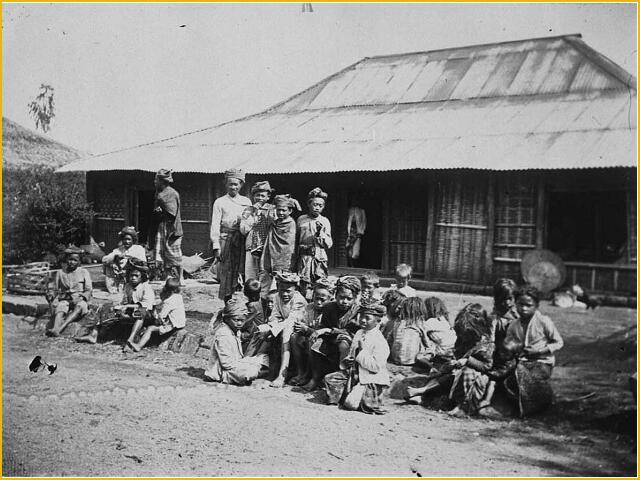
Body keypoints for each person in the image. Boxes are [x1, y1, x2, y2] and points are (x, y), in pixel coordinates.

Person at [405, 303, 494, 415]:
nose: (463, 337)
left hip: (475, 376)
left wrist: (467, 361)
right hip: (457, 374)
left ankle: (461, 406)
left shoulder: (485, 344)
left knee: (464, 374)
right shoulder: (463, 339)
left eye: (466, 334)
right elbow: (458, 354)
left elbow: (488, 366)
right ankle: (422, 394)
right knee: (442, 372)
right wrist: (454, 362)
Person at [501, 285, 564, 416]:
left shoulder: (543, 321)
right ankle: (518, 404)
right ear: (515, 304)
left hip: (542, 362)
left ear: (536, 306)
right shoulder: (513, 325)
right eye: (520, 304)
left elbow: (558, 342)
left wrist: (540, 351)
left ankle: (539, 405)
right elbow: (508, 344)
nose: (523, 308)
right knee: (507, 377)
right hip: (522, 361)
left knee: (523, 374)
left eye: (528, 305)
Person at [324, 298, 390, 414]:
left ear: (378, 321)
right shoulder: (359, 333)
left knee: (351, 404)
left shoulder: (380, 341)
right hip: (354, 374)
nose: (363, 321)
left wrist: (363, 352)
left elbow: (376, 367)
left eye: (367, 318)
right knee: (330, 379)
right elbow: (352, 355)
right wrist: (348, 361)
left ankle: (357, 398)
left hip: (369, 378)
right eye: (361, 317)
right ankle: (345, 395)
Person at [303, 275, 361, 391]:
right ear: (335, 295)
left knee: (343, 341)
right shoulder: (329, 307)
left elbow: (352, 331)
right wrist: (323, 332)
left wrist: (329, 330)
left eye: (348, 299)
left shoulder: (357, 311)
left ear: (354, 298)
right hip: (331, 340)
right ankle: (315, 378)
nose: (344, 301)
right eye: (341, 297)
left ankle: (342, 378)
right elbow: (324, 326)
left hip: (349, 344)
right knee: (316, 343)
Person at [76, 260, 154, 344]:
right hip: (131, 311)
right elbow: (125, 301)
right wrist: (121, 307)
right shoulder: (128, 286)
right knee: (106, 307)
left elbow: (146, 305)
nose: (133, 278)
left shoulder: (146, 287)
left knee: (141, 312)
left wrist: (127, 306)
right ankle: (93, 335)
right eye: (131, 275)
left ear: (142, 277)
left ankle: (131, 339)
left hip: (147, 314)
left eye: (136, 276)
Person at [254, 272, 307, 388]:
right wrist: (270, 327)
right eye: (282, 289)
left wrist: (275, 328)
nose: (285, 294)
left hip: (299, 330)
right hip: (283, 326)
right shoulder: (277, 297)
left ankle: (283, 373)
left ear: (295, 289)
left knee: (285, 334)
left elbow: (292, 320)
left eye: (288, 291)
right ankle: (258, 362)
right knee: (264, 331)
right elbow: (275, 317)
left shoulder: (299, 300)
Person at [204, 293, 270, 385]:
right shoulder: (223, 334)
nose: (239, 324)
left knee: (263, 357)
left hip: (236, 364)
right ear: (227, 319)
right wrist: (245, 364)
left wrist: (246, 361)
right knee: (247, 372)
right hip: (224, 371)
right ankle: (259, 372)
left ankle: (258, 371)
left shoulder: (236, 331)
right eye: (236, 320)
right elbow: (227, 364)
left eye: (242, 320)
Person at [211, 169, 253, 300]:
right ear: (226, 184)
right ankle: (227, 302)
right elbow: (215, 224)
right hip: (226, 239)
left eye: (236, 184)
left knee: (241, 269)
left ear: (241, 185)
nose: (233, 187)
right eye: (231, 184)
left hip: (242, 239)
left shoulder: (246, 201)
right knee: (226, 271)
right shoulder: (220, 202)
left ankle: (240, 301)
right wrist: (216, 246)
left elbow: (251, 221)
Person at [478, 278, 519, 410]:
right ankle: (487, 399)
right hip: (498, 355)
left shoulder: (516, 316)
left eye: (510, 298)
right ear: (497, 298)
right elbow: (491, 340)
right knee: (493, 377)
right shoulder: (494, 318)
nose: (507, 303)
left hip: (514, 353)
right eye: (503, 299)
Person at [289, 280, 333, 386]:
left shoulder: (331, 310)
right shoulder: (309, 307)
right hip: (309, 338)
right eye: (316, 298)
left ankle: (311, 375)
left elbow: (330, 332)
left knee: (312, 341)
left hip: (326, 344)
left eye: (322, 300)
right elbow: (301, 321)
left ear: (330, 299)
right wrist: (300, 327)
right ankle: (300, 372)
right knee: (294, 337)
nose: (318, 302)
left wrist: (308, 330)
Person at [127, 277, 186, 352]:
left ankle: (139, 346)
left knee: (150, 328)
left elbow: (162, 316)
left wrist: (155, 315)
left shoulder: (168, 302)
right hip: (181, 321)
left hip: (173, 324)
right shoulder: (178, 297)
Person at [45, 247, 93, 337]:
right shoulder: (61, 273)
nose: (72, 262)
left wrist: (81, 298)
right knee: (61, 306)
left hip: (79, 299)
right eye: (70, 259)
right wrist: (51, 295)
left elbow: (88, 290)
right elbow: (54, 289)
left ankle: (60, 328)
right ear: (66, 260)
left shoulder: (84, 272)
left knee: (80, 306)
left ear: (79, 261)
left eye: (75, 260)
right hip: (65, 299)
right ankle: (55, 328)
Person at [260, 194, 300, 297]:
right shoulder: (274, 223)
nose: (281, 213)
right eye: (279, 210)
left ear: (290, 211)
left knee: (282, 281)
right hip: (272, 254)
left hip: (285, 257)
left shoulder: (291, 224)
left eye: (284, 210)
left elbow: (289, 244)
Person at [297, 187, 333, 299]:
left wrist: (320, 234)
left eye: (320, 205)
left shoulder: (325, 221)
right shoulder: (301, 219)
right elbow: (296, 239)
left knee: (319, 285)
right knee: (303, 285)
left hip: (319, 258)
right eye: (315, 204)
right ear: (309, 204)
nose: (317, 207)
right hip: (304, 258)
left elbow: (329, 243)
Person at [148, 169, 184, 282]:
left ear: (162, 181)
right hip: (162, 226)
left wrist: (160, 212)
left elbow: (171, 214)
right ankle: (167, 276)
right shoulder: (159, 193)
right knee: (163, 252)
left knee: (174, 253)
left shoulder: (171, 193)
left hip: (171, 228)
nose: (154, 182)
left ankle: (180, 277)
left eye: (156, 180)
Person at [239, 181, 277, 282]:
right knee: (251, 275)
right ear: (253, 196)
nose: (260, 198)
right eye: (257, 195)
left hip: (266, 245)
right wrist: (252, 215)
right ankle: (251, 295)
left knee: (265, 273)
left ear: (268, 197)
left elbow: (274, 224)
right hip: (251, 245)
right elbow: (243, 229)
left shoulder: (273, 209)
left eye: (263, 196)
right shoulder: (248, 209)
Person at [414, 297, 457, 371]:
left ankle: (431, 367)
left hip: (444, 352)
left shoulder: (430, 322)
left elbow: (419, 329)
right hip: (454, 349)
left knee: (420, 355)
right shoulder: (444, 320)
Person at [102, 226, 147, 294]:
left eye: (129, 239)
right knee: (109, 264)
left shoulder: (139, 249)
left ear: (133, 240)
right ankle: (114, 286)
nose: (126, 241)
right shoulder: (119, 250)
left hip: (133, 275)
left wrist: (131, 260)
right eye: (124, 239)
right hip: (121, 276)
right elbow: (104, 260)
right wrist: (116, 257)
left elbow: (143, 264)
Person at [388, 297, 429, 366]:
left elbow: (390, 339)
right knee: (430, 344)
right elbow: (426, 342)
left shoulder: (398, 323)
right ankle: (424, 359)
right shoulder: (419, 323)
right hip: (411, 360)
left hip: (395, 358)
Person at [346, 200, 366, 267]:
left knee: (356, 251)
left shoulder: (361, 211)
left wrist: (361, 231)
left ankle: (354, 265)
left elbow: (364, 222)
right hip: (349, 232)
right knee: (348, 248)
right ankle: (350, 265)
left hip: (357, 232)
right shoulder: (350, 210)